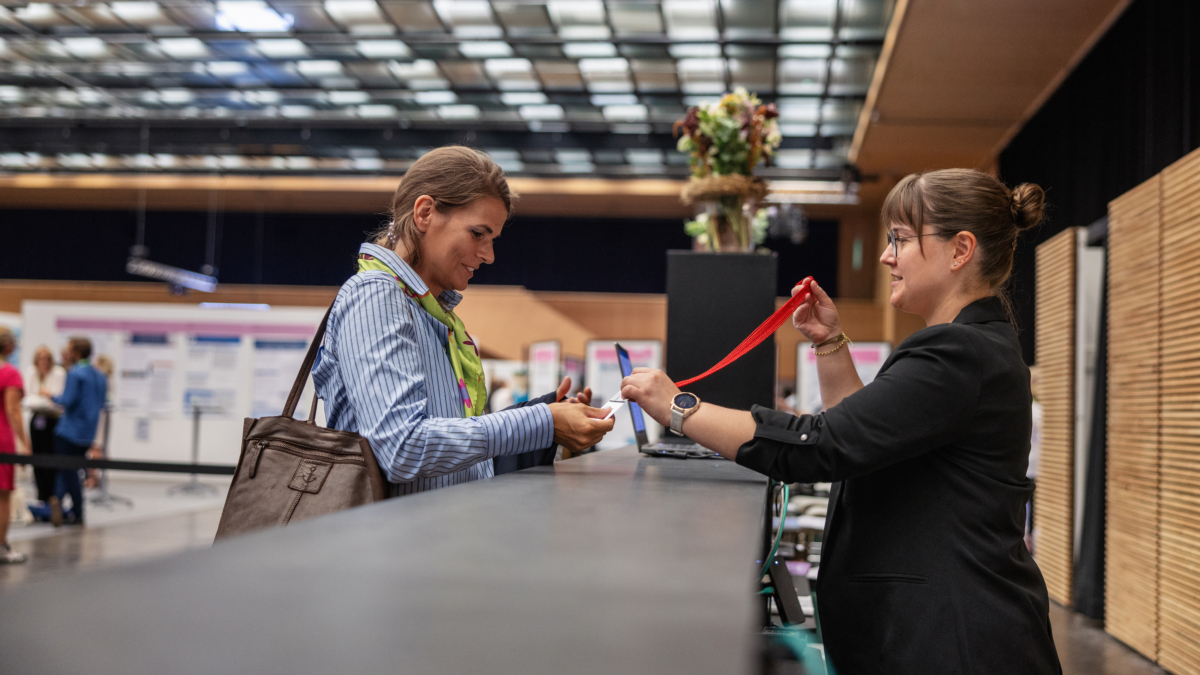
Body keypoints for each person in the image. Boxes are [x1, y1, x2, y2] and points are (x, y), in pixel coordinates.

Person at [621, 169, 1061, 674]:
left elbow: (821, 446)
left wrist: (680, 409)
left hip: (953, 640)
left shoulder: (959, 352)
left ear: (960, 250)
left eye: (900, 239)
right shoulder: (971, 347)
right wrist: (830, 343)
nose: (886, 256)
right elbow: (867, 439)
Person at [313, 146, 613, 496]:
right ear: (425, 213)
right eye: (477, 233)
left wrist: (550, 423)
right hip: (395, 531)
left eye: (492, 239)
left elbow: (458, 455)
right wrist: (542, 421)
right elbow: (403, 449)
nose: (489, 255)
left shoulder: (430, 312)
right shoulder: (376, 295)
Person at [50, 337, 108, 526]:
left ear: (76, 352)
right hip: (88, 432)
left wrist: (51, 397)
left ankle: (76, 510)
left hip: (69, 431)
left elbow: (67, 400)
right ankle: (58, 500)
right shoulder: (99, 375)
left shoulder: (75, 373)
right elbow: (101, 403)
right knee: (70, 469)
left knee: (68, 471)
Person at [0, 328, 30, 563]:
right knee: (2, 496)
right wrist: (25, 442)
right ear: (8, 346)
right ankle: (1, 547)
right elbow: (12, 410)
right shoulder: (9, 373)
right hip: (2, 440)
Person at [22, 346, 65, 505]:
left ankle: (53, 495)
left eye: (46, 357)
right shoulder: (32, 372)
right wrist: (45, 397)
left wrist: (46, 397)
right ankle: (41, 494)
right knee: (37, 456)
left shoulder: (58, 373)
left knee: (52, 455)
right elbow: (28, 397)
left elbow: (57, 400)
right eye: (40, 357)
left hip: (53, 419)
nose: (43, 361)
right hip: (37, 418)